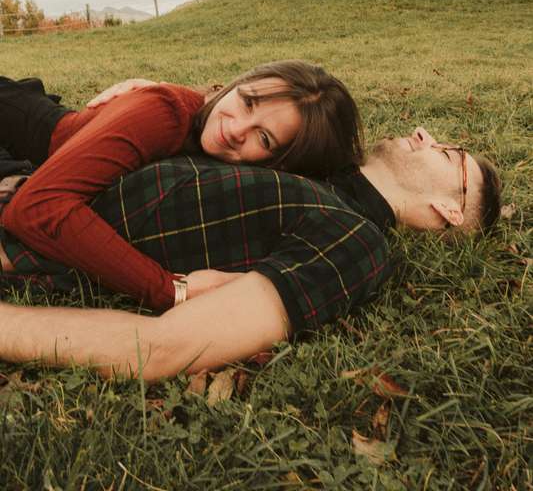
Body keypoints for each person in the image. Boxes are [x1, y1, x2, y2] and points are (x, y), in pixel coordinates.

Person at [0, 125, 501, 380]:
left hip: (24, 234)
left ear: (449, 210)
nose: (424, 135)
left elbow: (161, 349)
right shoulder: (319, 157)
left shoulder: (355, 241)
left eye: (447, 153)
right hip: (37, 165)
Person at [0, 64, 363, 310]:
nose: (236, 129)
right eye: (247, 101)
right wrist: (168, 289)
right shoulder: (164, 114)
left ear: (283, 164)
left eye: (264, 138)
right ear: (235, 85)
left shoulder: (212, 135)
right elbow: (35, 208)